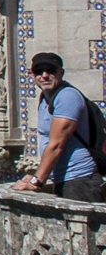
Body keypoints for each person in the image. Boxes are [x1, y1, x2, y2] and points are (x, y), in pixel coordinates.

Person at [14, 52, 106, 200]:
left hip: (80, 182)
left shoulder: (67, 96)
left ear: (61, 72)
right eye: (39, 71)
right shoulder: (45, 98)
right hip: (65, 180)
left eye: (50, 70)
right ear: (32, 76)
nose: (44, 75)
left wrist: (36, 181)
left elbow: (57, 144)